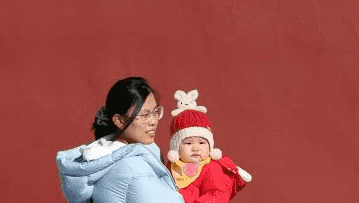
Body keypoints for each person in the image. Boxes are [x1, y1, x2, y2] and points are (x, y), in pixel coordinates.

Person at [56, 76, 184, 203]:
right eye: (145, 114)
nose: (153, 121)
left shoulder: (104, 158)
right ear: (120, 121)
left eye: (156, 111)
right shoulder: (134, 168)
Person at [165, 90, 250, 203]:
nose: (196, 148)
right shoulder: (174, 167)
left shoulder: (211, 168)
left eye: (201, 143)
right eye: (188, 143)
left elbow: (218, 194)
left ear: (210, 146)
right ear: (176, 149)